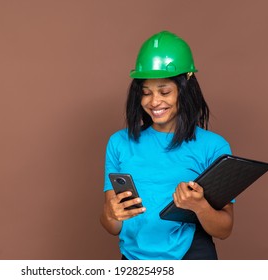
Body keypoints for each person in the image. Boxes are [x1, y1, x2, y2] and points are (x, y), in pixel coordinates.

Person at [100, 30, 234, 260]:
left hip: (191, 256)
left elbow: (225, 229)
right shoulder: (119, 143)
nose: (154, 102)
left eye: (164, 92)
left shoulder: (214, 147)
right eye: (146, 93)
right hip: (134, 260)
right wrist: (111, 214)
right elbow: (113, 226)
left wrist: (199, 206)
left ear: (185, 90)